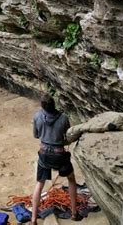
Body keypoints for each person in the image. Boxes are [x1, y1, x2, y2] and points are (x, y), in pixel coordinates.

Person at [31, 93, 83, 224]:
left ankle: (33, 220)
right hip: (60, 155)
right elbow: (67, 138)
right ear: (54, 104)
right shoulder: (64, 118)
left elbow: (36, 135)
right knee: (71, 180)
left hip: (44, 155)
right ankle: (74, 213)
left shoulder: (37, 116)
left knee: (39, 183)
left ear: (42, 106)